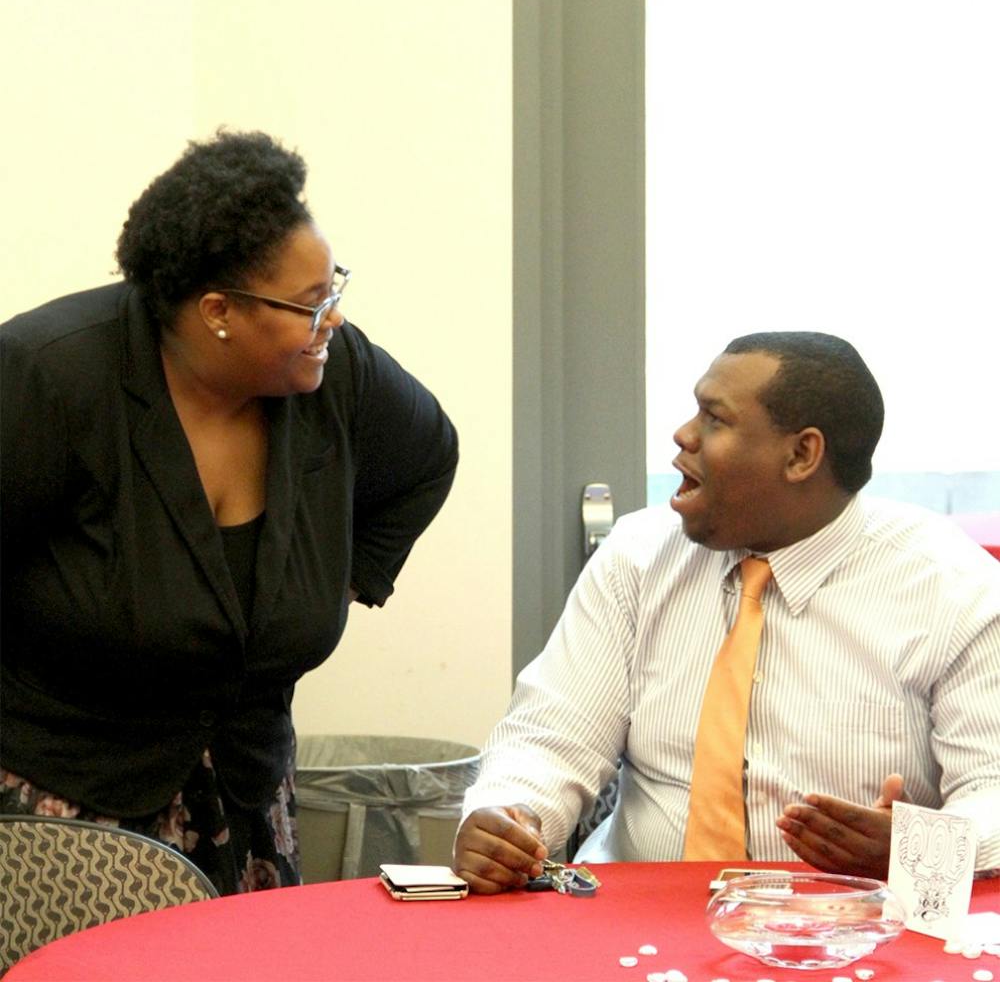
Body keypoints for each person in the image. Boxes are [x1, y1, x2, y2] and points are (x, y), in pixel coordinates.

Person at [0, 130, 458, 895]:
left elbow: (428, 459)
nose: (334, 321)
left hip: (245, 791)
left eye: (334, 290)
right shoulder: (51, 377)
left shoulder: (332, 376)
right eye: (312, 305)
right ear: (217, 310)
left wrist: (339, 581)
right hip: (67, 800)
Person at [454, 332, 1000, 894]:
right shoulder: (638, 557)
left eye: (714, 419)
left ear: (801, 455)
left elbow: (993, 789)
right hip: (634, 911)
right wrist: (513, 814)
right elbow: (552, 736)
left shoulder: (953, 587)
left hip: (847, 926)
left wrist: (918, 847)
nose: (683, 435)